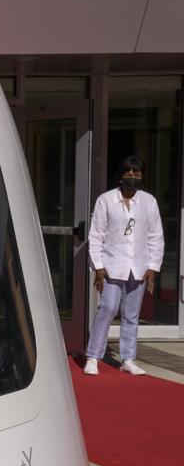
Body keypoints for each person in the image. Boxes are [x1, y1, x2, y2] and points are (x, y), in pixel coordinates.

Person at [83, 155, 165, 376]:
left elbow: (155, 236)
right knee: (108, 308)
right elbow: (96, 234)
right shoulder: (106, 200)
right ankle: (93, 356)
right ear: (121, 175)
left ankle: (128, 359)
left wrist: (153, 267)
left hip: (138, 266)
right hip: (112, 265)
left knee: (131, 315)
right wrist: (98, 266)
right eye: (129, 173)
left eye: (137, 173)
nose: (133, 177)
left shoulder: (149, 202)